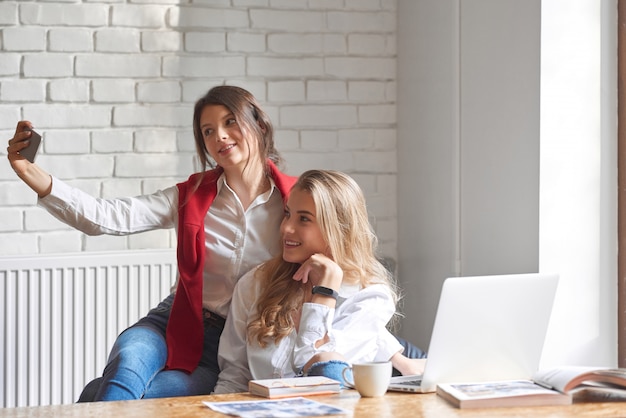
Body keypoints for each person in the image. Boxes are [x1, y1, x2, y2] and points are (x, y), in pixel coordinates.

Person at [6, 85, 298, 400]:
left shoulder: (295, 201)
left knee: (112, 394)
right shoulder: (190, 194)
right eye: (208, 131)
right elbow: (106, 217)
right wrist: (28, 170)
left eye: (230, 122)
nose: (220, 137)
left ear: (260, 125)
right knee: (129, 361)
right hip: (174, 319)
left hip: (233, 345)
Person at [213, 169, 425, 393]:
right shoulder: (255, 282)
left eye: (304, 219)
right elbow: (234, 374)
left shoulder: (370, 298)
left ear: (338, 229)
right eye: (287, 214)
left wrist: (325, 293)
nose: (286, 228)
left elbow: (315, 368)